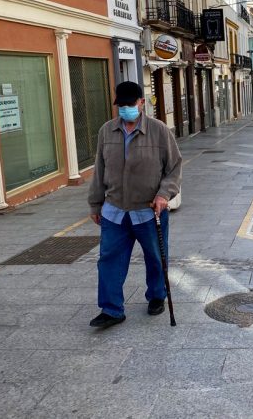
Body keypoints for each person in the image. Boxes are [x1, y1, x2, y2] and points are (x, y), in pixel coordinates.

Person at [88, 81, 183, 329]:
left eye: (131, 104)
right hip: (114, 210)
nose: (126, 109)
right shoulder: (106, 131)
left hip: (149, 211)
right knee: (108, 259)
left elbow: (173, 168)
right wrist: (95, 204)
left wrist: (164, 195)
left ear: (142, 103)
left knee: (155, 257)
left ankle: (156, 296)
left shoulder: (159, 131)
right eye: (122, 105)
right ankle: (111, 309)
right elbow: (99, 170)